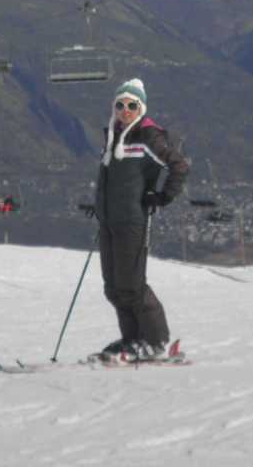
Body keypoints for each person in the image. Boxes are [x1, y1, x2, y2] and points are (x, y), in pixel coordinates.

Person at [94, 78, 188, 360]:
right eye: (120, 105)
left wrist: (161, 196)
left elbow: (179, 166)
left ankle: (156, 342)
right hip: (110, 220)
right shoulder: (113, 138)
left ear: (141, 107)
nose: (125, 110)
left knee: (132, 284)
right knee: (113, 287)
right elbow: (115, 180)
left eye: (131, 105)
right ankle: (133, 340)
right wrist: (99, 205)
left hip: (133, 220)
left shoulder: (149, 137)